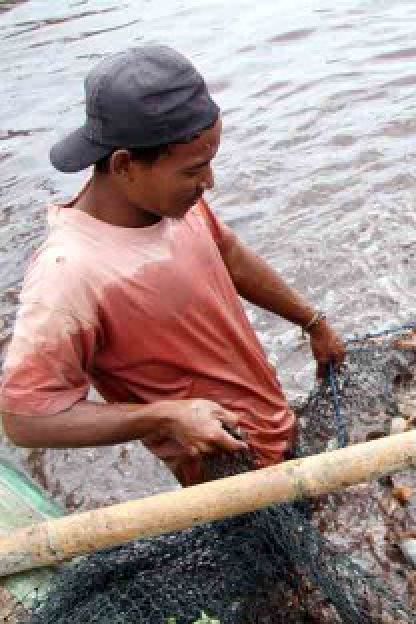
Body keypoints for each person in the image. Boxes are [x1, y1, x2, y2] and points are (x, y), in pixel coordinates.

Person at [0, 46, 346, 486]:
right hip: (226, 477)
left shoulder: (177, 205)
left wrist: (313, 323)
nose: (209, 182)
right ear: (125, 164)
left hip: (274, 426)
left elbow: (230, 254)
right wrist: (164, 417)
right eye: (194, 170)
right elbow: (26, 418)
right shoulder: (69, 274)